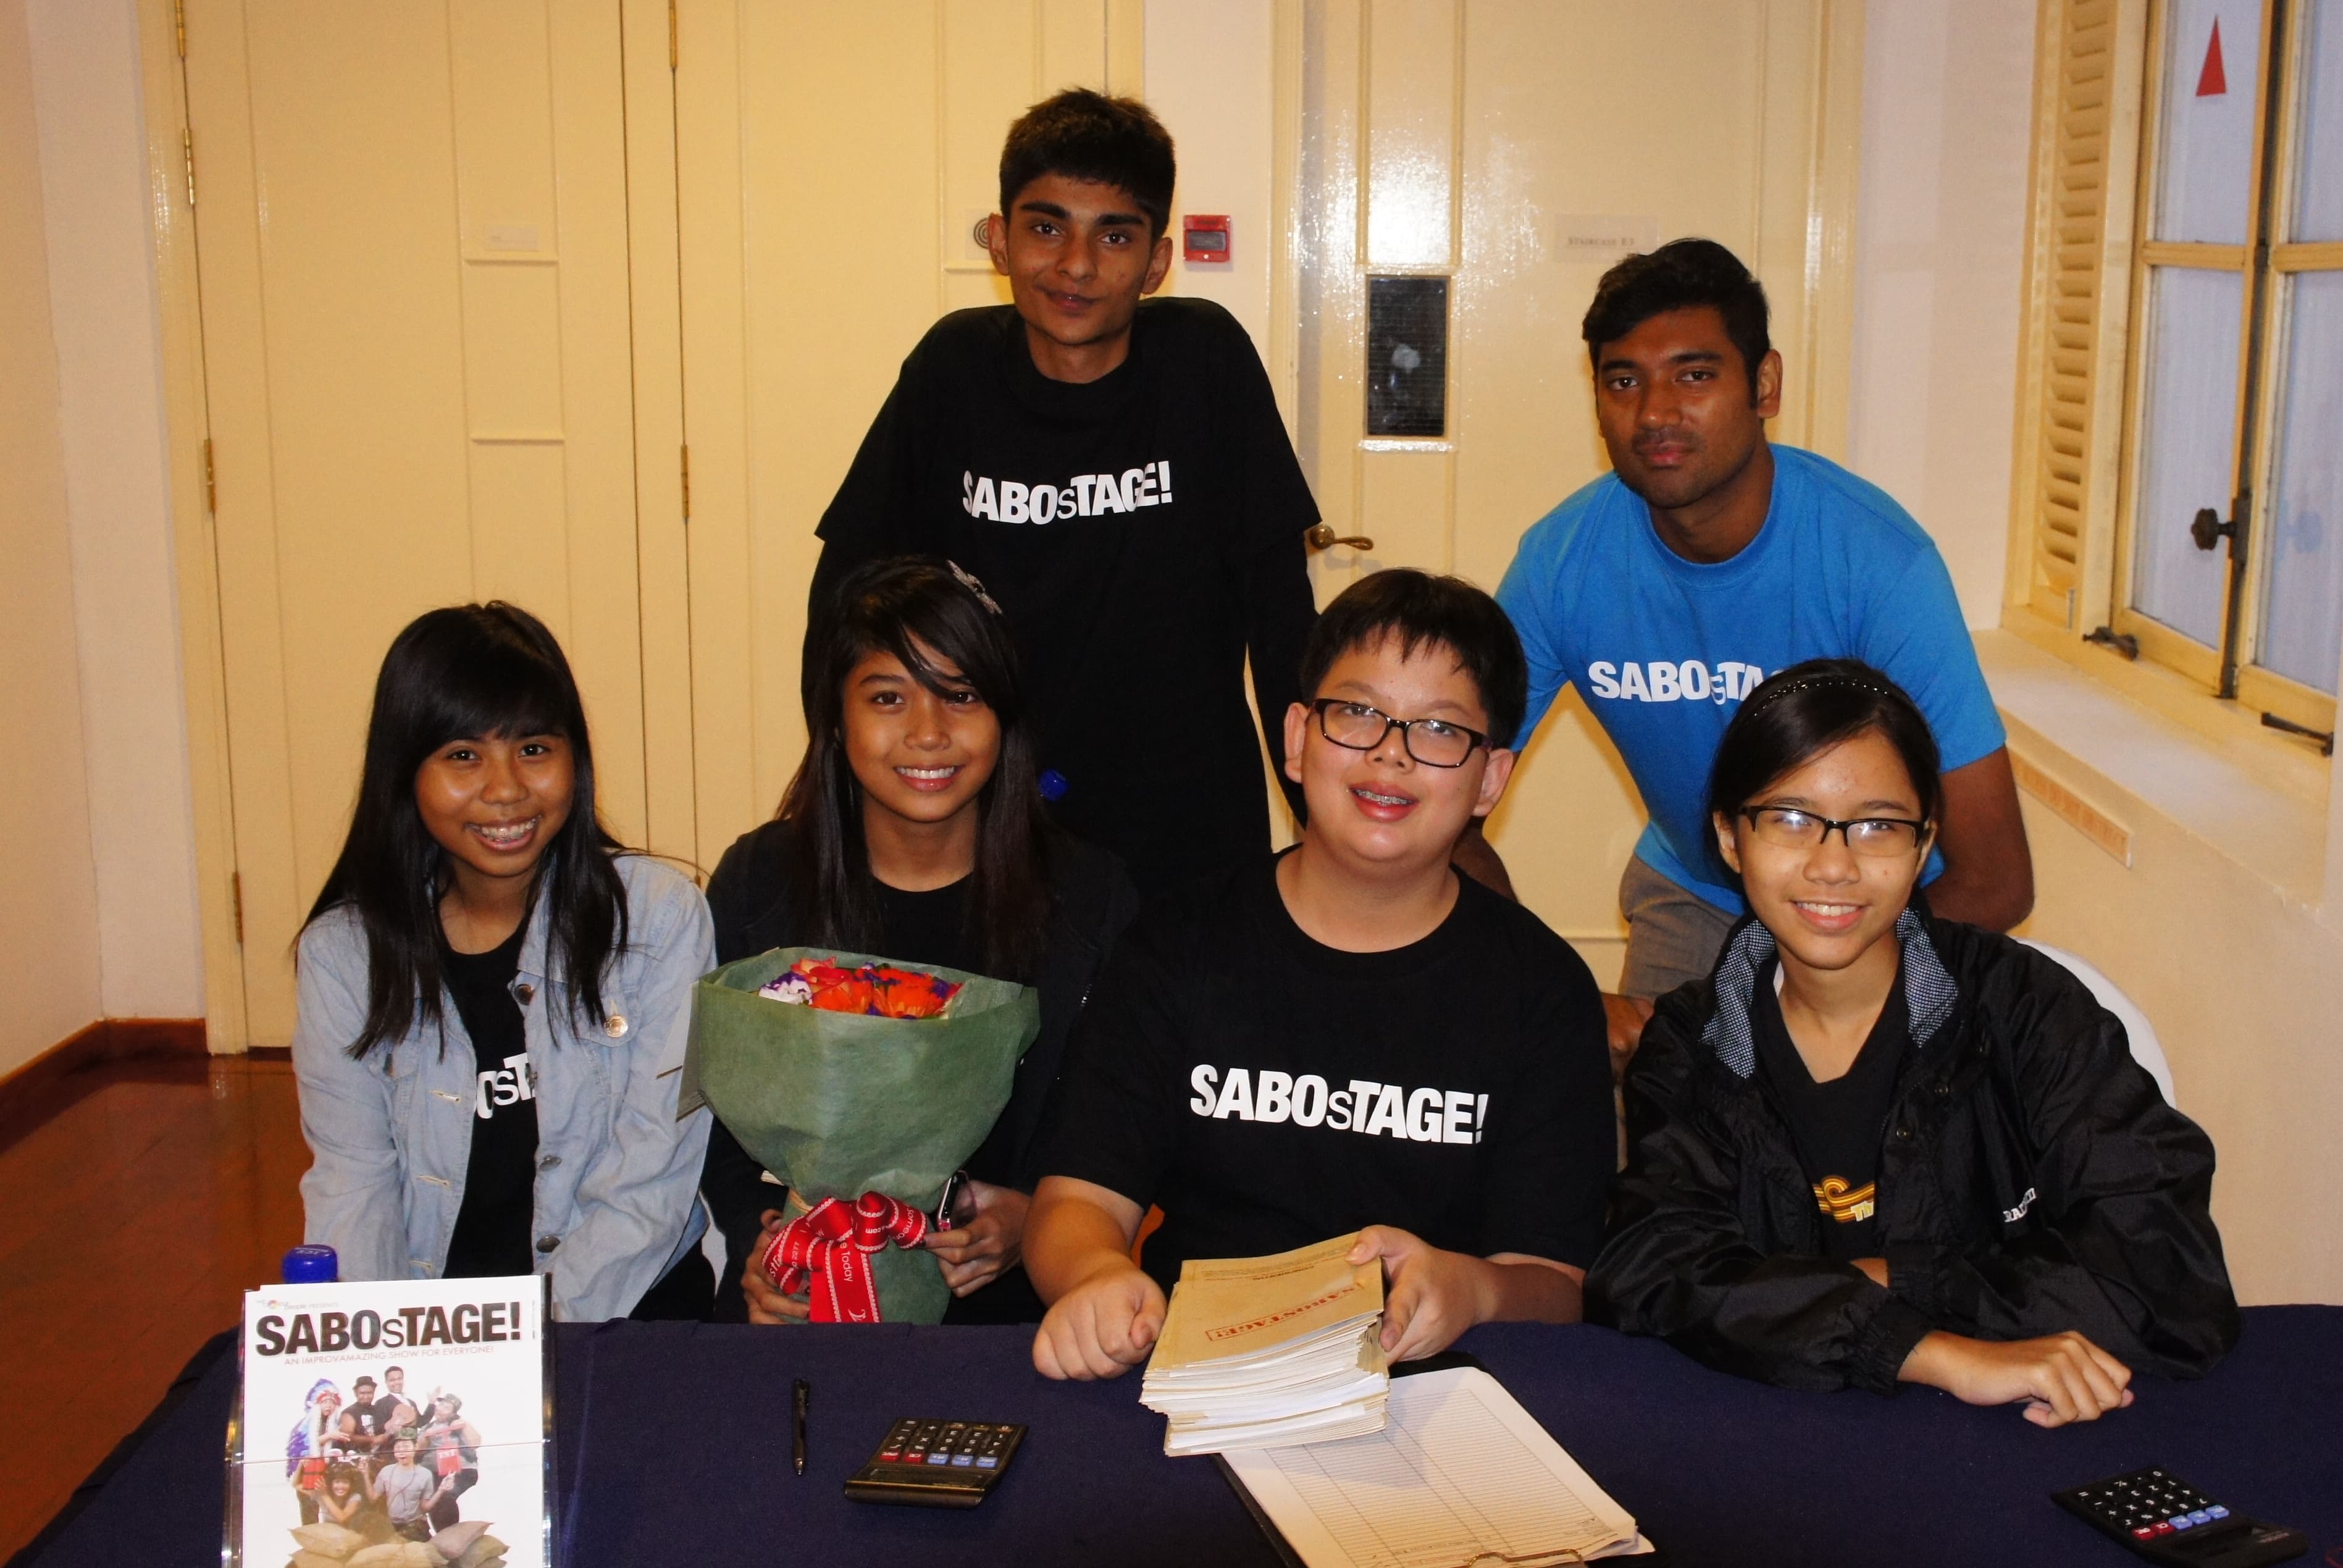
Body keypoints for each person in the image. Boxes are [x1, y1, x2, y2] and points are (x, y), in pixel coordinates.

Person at [1586, 660, 2235, 1422]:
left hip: (2025, 1432)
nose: (1833, 864)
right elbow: (1653, 1270)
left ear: (1925, 840)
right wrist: (1930, 1348)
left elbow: (2167, 1273)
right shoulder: (1693, 1042)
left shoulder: (2023, 1009)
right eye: (1790, 817)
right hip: (1787, 1441)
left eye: (1877, 825)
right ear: (1730, 837)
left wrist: (1886, 1280)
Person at [1022, 569, 1616, 1380]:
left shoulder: (1540, 992)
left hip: (1431, 1393)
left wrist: (1471, 1289)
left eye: (1439, 731)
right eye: (1358, 715)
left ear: (1491, 780)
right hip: (1191, 1375)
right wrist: (1097, 1279)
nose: (1390, 755)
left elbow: (1551, 1285)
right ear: (1298, 738)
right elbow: (1078, 1201)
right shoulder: (1177, 943)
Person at [1490, 240, 2031, 1071]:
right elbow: (1435, 797)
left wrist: (1770, 1000)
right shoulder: (1563, 563)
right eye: (1623, 380)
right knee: (1644, 1169)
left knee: (1845, 1181)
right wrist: (1544, 990)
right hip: (1698, 900)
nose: (1656, 412)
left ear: (1766, 386)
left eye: (1695, 375)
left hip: (1885, 913)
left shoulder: (1877, 563)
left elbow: (1996, 880)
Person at [807, 88, 1320, 900]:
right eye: (1046, 228)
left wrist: (1322, 825)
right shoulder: (953, 371)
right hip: (995, 823)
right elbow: (846, 597)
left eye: (1114, 235)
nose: (1076, 265)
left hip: (1186, 827)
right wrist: (845, 791)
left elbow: (1283, 616)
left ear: (1157, 260)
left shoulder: (1204, 366)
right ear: (1001, 241)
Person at [703, 557, 1139, 1325]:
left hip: (1015, 1317)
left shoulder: (1089, 897)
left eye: (961, 695)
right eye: (887, 697)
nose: (928, 733)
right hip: (797, 1307)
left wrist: (1040, 1216)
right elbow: (709, 1116)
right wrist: (762, 1247)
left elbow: (1125, 1118)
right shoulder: (759, 882)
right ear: (836, 719)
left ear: (1004, 716)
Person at [293, 604, 717, 1321]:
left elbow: (651, 1178)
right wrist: (387, 1346)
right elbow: (352, 1182)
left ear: (573, 758)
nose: (505, 789)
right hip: (437, 1338)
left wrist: (527, 1342)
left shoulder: (655, 917)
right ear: (405, 771)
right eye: (463, 755)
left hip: (620, 1315)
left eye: (533, 748)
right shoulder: (344, 954)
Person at [419, 1391, 482, 1532]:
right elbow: (419, 1450)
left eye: (447, 1408)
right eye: (441, 1405)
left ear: (453, 1414)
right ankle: (440, 1534)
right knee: (433, 1499)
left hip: (460, 1471)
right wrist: (425, 1439)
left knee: (446, 1495)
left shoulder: (459, 1423)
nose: (441, 1409)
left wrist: (465, 1425)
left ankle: (451, 1533)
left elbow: (476, 1442)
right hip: (433, 1472)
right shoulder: (428, 1427)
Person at [286, 1381, 346, 1522]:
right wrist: (330, 1436)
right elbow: (302, 1448)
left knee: (331, 1511)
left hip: (328, 1474)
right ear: (317, 1404)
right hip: (308, 1474)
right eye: (325, 1402)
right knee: (309, 1511)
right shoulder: (304, 1426)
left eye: (332, 1403)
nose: (329, 1406)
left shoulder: (338, 1423)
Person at [369, 1433, 440, 1543]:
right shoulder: (386, 1471)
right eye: (398, 1448)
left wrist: (442, 1490)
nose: (402, 1451)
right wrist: (364, 1474)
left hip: (415, 1524)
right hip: (391, 1524)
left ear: (415, 1447)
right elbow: (373, 1498)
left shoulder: (425, 1474)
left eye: (406, 1447)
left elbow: (425, 1507)